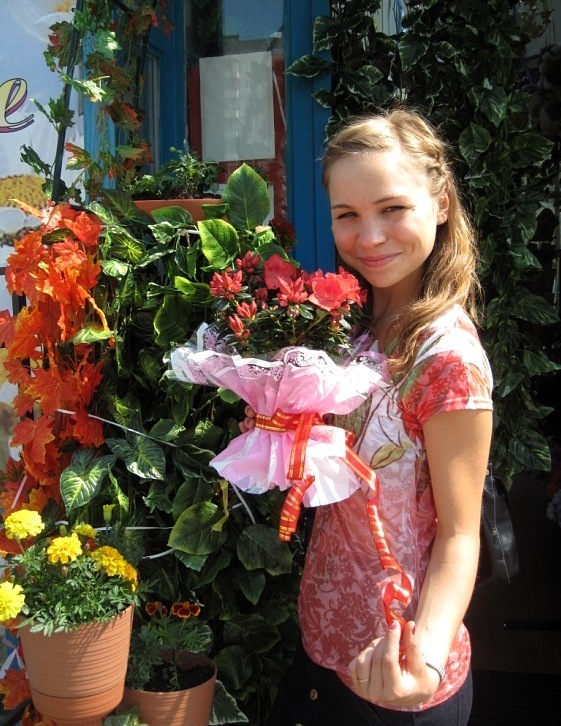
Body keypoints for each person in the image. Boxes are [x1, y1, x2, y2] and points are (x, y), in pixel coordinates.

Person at [243, 108, 494, 725]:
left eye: (392, 208)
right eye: (347, 215)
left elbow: (461, 536)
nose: (370, 236)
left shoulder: (446, 358)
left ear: (440, 203)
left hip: (396, 678)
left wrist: (424, 660)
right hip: (324, 651)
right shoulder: (352, 327)